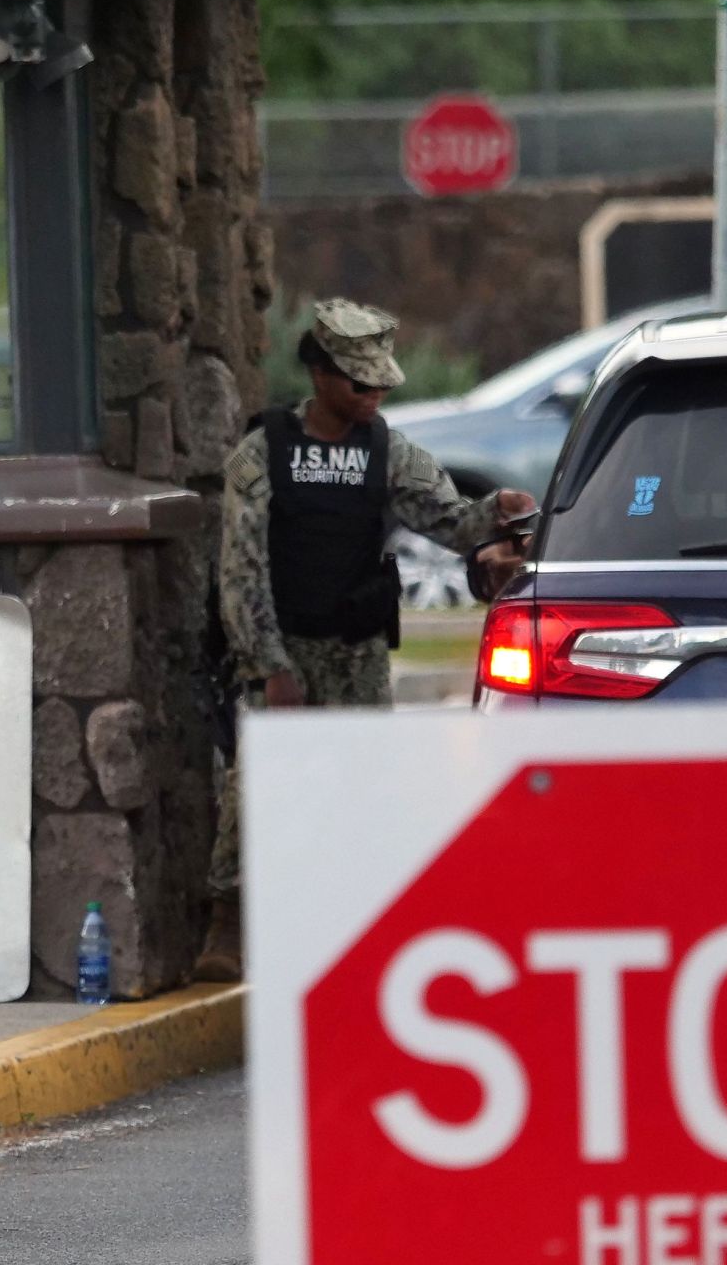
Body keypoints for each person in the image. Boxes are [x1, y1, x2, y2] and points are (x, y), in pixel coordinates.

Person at [197, 300, 535, 981]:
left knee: (361, 790)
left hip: (356, 651)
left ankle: (351, 922)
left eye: (381, 384)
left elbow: (448, 521)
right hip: (284, 647)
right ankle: (227, 923)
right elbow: (241, 571)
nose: (373, 395)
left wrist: (495, 515)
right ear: (319, 374)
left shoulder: (387, 451)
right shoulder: (262, 455)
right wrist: (269, 666)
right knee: (253, 788)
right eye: (359, 383)